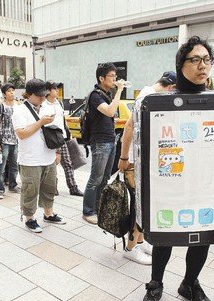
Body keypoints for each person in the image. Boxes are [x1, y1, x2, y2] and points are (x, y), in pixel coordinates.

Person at [142, 36, 214, 301]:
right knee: (165, 234)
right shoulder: (161, 102)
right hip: (170, 181)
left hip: (205, 183)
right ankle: (155, 284)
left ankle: (189, 283)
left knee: (202, 235)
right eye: (195, 59)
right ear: (181, 63)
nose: (202, 66)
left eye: (207, 60)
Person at [118, 71, 177, 265]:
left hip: (142, 161)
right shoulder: (147, 98)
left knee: (143, 204)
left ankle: (141, 241)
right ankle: (130, 248)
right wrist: (124, 157)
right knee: (139, 205)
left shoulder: (148, 94)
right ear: (171, 88)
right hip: (136, 162)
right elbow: (128, 127)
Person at [12, 78, 65, 233]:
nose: (42, 98)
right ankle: (29, 218)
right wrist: (40, 122)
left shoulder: (46, 107)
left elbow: (53, 131)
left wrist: (57, 151)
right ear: (29, 94)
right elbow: (21, 134)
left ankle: (48, 214)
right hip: (30, 160)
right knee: (30, 190)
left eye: (44, 94)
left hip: (48, 157)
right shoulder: (20, 111)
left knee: (49, 188)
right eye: (39, 95)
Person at [82, 63, 125, 224]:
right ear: (101, 78)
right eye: (111, 76)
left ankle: (98, 207)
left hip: (110, 139)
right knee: (96, 178)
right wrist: (120, 90)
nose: (115, 79)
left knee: (105, 177)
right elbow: (109, 111)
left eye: (115, 76)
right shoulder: (95, 95)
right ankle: (88, 211)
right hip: (100, 141)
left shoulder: (106, 94)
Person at [42, 81, 83, 196]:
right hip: (50, 138)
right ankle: (53, 187)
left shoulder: (59, 103)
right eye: (55, 88)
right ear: (48, 91)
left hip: (62, 138)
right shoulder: (43, 105)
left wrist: (68, 132)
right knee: (52, 164)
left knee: (68, 163)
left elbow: (62, 120)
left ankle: (73, 187)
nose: (57, 90)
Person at [0, 83, 19, 199]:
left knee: (14, 166)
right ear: (4, 94)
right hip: (3, 141)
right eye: (9, 91)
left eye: (13, 90)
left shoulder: (19, 106)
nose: (12, 93)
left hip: (16, 140)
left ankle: (13, 185)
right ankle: (0, 189)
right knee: (1, 167)